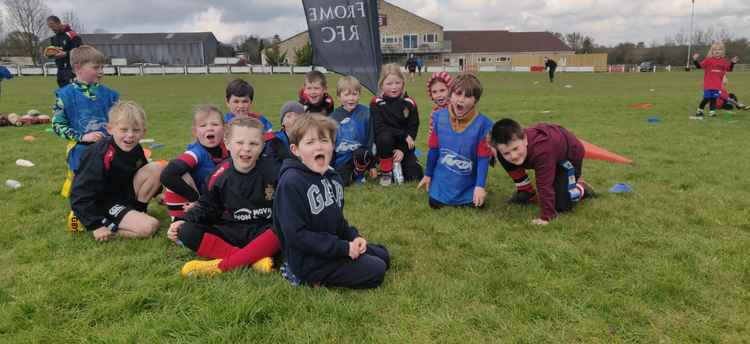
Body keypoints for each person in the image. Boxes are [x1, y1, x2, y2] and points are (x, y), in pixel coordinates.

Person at [273, 114, 390, 289]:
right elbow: (297, 236)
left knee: (383, 255)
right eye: (310, 142)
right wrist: (343, 248)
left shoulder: (333, 177)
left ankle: (349, 256)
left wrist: (354, 237)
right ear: (295, 149)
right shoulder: (291, 182)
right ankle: (301, 276)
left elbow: (337, 220)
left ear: (333, 145)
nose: (318, 146)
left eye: (324, 140)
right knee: (376, 269)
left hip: (330, 246)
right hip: (308, 259)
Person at [168, 117, 281, 277]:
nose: (246, 148)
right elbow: (206, 207)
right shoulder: (218, 175)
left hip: (264, 232)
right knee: (186, 231)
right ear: (227, 143)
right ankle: (254, 259)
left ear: (262, 146)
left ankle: (228, 264)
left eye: (254, 144)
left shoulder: (275, 171)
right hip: (231, 232)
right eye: (240, 143)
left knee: (285, 228)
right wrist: (185, 220)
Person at [70, 101, 164, 241]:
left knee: (158, 168)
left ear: (144, 132)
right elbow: (79, 193)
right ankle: (100, 225)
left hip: (123, 195)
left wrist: (157, 195)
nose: (130, 135)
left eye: (136, 130)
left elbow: (142, 172)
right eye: (124, 130)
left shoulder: (135, 148)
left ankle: (138, 211)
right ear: (110, 129)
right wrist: (95, 225)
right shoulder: (97, 153)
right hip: (103, 203)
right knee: (150, 226)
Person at [490, 118, 594, 225]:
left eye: (516, 149)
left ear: (525, 139)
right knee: (502, 157)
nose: (513, 156)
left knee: (561, 205)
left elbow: (544, 185)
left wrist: (546, 216)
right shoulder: (504, 148)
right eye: (507, 152)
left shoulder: (541, 151)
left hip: (568, 156)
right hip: (550, 152)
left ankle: (582, 188)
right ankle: (525, 191)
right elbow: (489, 142)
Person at [52, 45, 120, 204]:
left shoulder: (111, 95)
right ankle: (78, 211)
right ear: (78, 68)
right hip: (81, 148)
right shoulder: (65, 95)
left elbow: (120, 120)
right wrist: (83, 136)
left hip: (110, 146)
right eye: (96, 67)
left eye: (102, 67)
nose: (101, 71)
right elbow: (57, 125)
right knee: (85, 182)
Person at [417, 73, 493, 208]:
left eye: (468, 96)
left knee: (476, 205)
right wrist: (428, 175)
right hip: (443, 181)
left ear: (475, 100)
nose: (461, 100)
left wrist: (480, 186)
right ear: (450, 95)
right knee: (434, 203)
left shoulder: (484, 125)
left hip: (466, 182)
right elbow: (433, 150)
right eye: (458, 94)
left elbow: (483, 158)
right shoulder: (438, 117)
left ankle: (471, 192)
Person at [160, 105, 229, 219]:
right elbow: (167, 175)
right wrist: (196, 199)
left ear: (224, 128)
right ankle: (179, 220)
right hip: (192, 205)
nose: (209, 128)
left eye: (215, 124)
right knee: (182, 174)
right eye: (203, 125)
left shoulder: (228, 150)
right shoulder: (195, 153)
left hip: (209, 201)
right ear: (195, 131)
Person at [371, 63, 423, 186]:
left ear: (403, 83)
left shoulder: (409, 103)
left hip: (403, 146)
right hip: (384, 145)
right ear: (381, 85)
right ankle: (385, 171)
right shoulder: (376, 102)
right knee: (385, 137)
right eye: (389, 84)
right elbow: (379, 127)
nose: (394, 87)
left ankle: (400, 164)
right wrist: (403, 134)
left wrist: (402, 150)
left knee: (414, 176)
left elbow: (413, 127)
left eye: (397, 83)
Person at [330, 76, 376, 186]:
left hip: (360, 155)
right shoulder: (333, 118)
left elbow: (371, 139)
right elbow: (330, 143)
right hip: (343, 159)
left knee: (362, 153)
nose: (351, 98)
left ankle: (360, 173)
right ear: (339, 97)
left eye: (354, 94)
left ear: (359, 95)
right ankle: (354, 174)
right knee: (341, 182)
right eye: (347, 95)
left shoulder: (366, 113)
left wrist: (372, 165)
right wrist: (329, 165)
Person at [692, 42, 739, 118]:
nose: (717, 51)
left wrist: (733, 63)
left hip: (717, 86)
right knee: (706, 98)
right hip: (708, 85)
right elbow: (699, 66)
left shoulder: (723, 61)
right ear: (712, 51)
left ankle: (712, 112)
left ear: (722, 51)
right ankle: (699, 111)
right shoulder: (708, 60)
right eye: (715, 49)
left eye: (719, 49)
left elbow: (729, 69)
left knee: (713, 99)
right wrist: (695, 60)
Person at [47, 15, 83, 88]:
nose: (52, 29)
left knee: (74, 92)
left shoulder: (72, 35)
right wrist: (50, 55)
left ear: (59, 23)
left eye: (53, 26)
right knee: (63, 94)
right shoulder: (54, 38)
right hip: (60, 70)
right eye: (50, 27)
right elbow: (54, 52)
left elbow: (81, 51)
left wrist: (66, 54)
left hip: (72, 69)